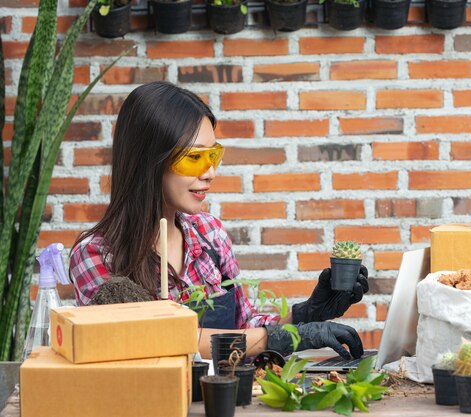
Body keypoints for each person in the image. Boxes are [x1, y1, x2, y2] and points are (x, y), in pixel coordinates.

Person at [69, 81, 368, 360]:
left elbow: (244, 325)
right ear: (150, 161)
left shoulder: (208, 233)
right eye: (194, 158)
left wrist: (306, 316)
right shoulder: (97, 254)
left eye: (213, 156)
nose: (210, 172)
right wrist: (279, 339)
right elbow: (149, 340)